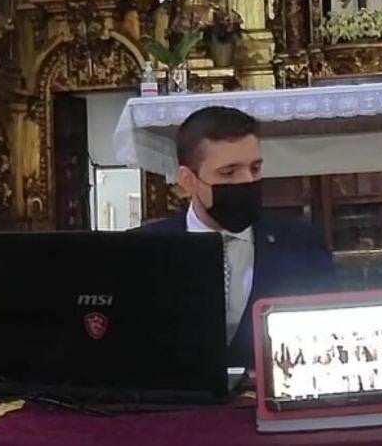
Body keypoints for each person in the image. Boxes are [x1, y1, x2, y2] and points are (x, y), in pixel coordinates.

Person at [142, 106, 338, 368]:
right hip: (178, 405)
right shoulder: (145, 249)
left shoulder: (302, 245)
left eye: (255, 169)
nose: (246, 181)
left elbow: (327, 338)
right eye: (229, 172)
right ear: (188, 180)